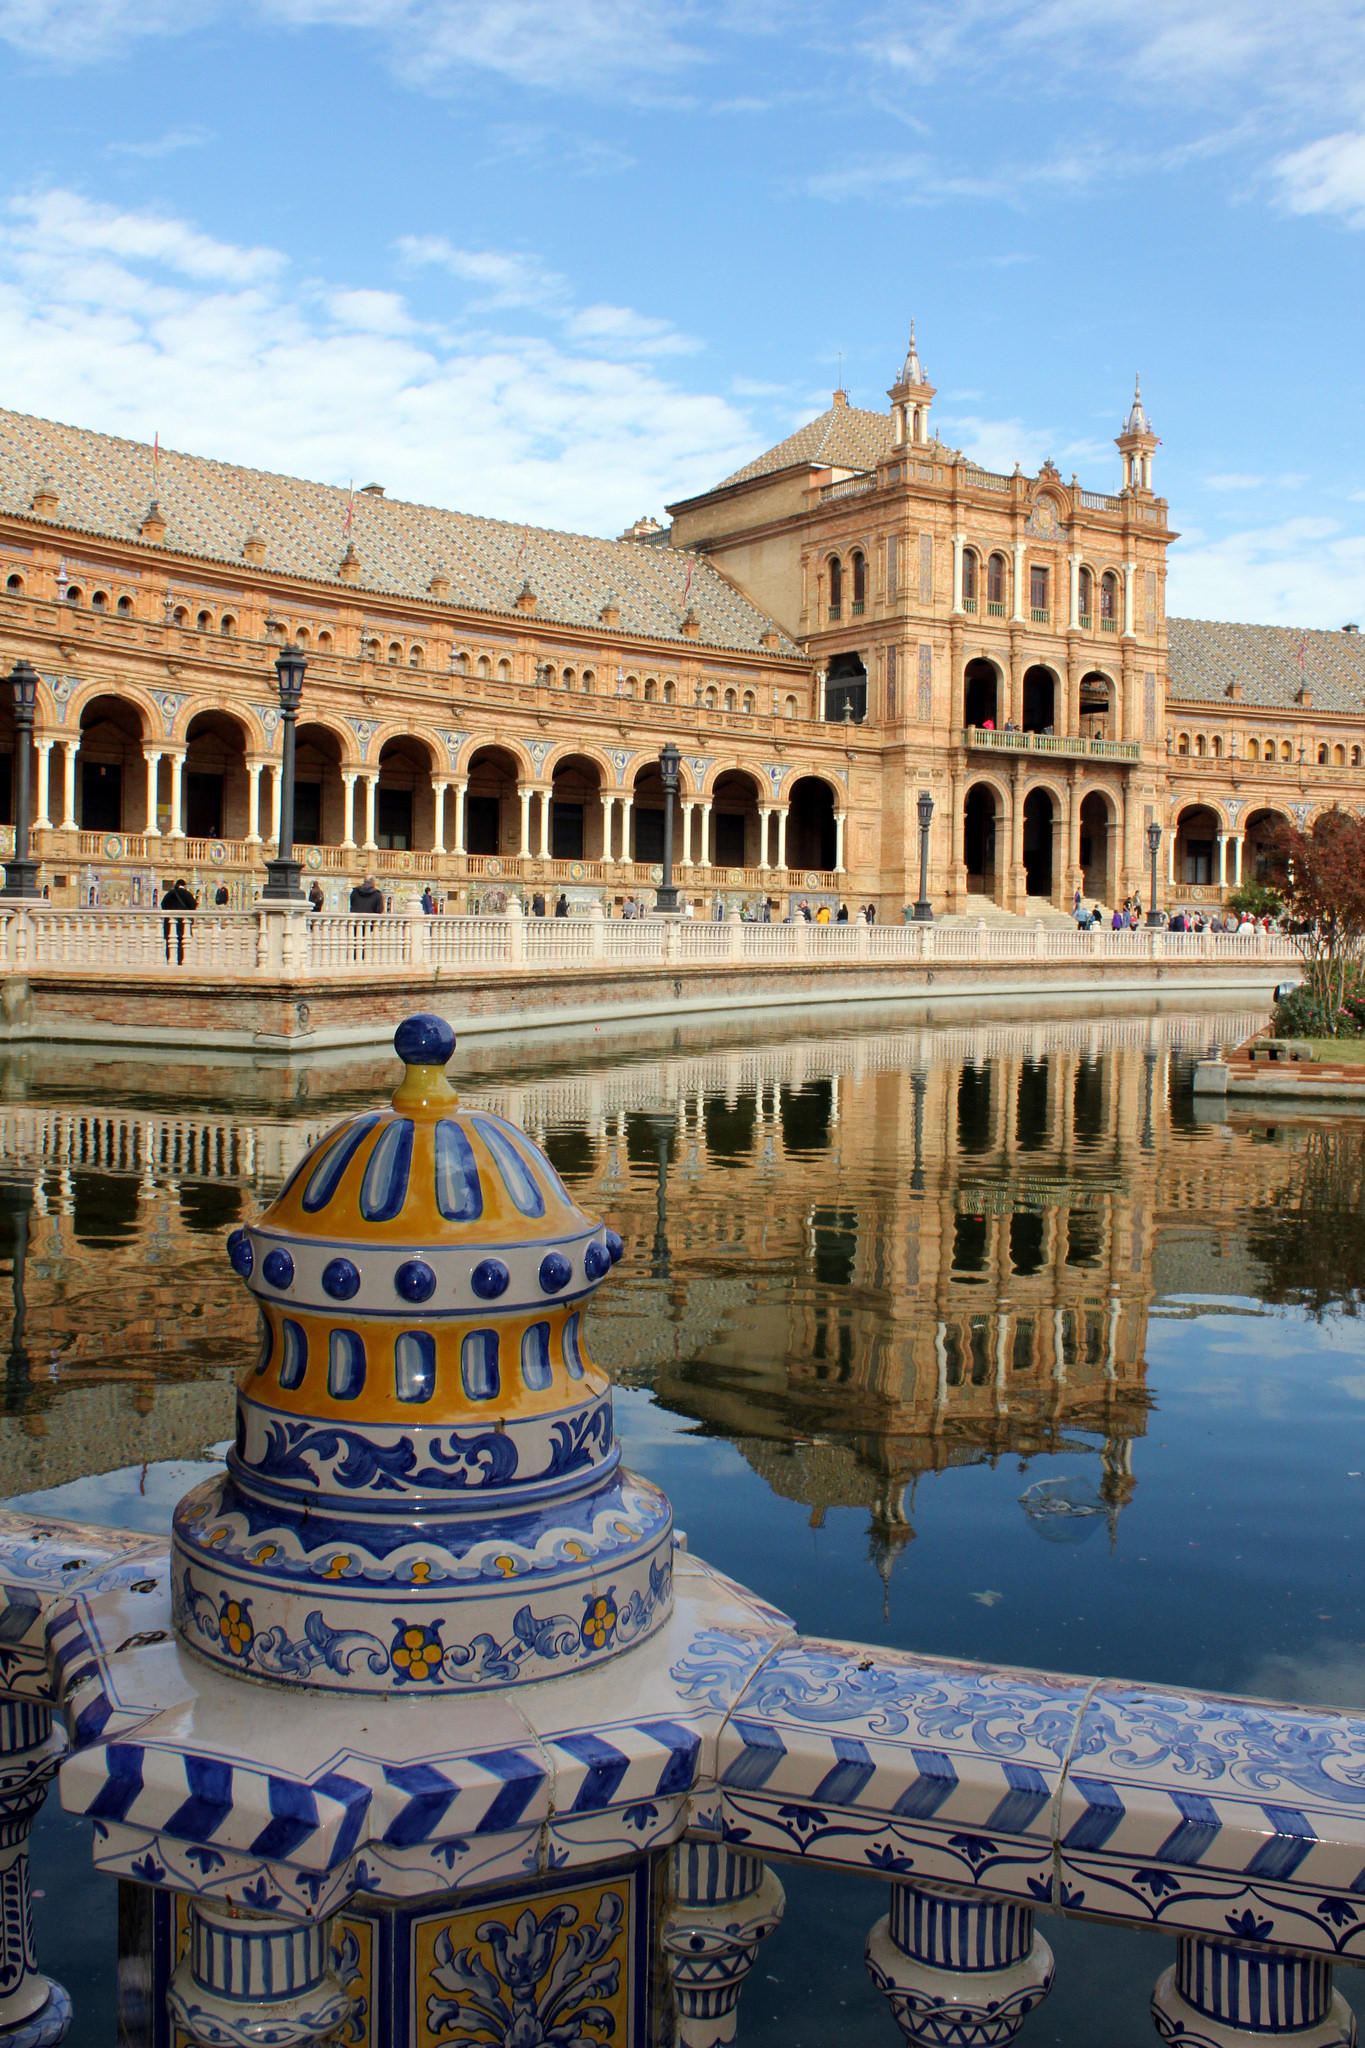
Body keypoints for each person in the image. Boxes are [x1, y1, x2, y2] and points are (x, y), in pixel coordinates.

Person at [160, 876, 196, 964]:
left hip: (169, 921)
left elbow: (163, 904)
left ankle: (169, 959)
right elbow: (193, 905)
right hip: (182, 922)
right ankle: (180, 960)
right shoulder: (187, 894)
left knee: (169, 942)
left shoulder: (170, 894)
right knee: (181, 942)